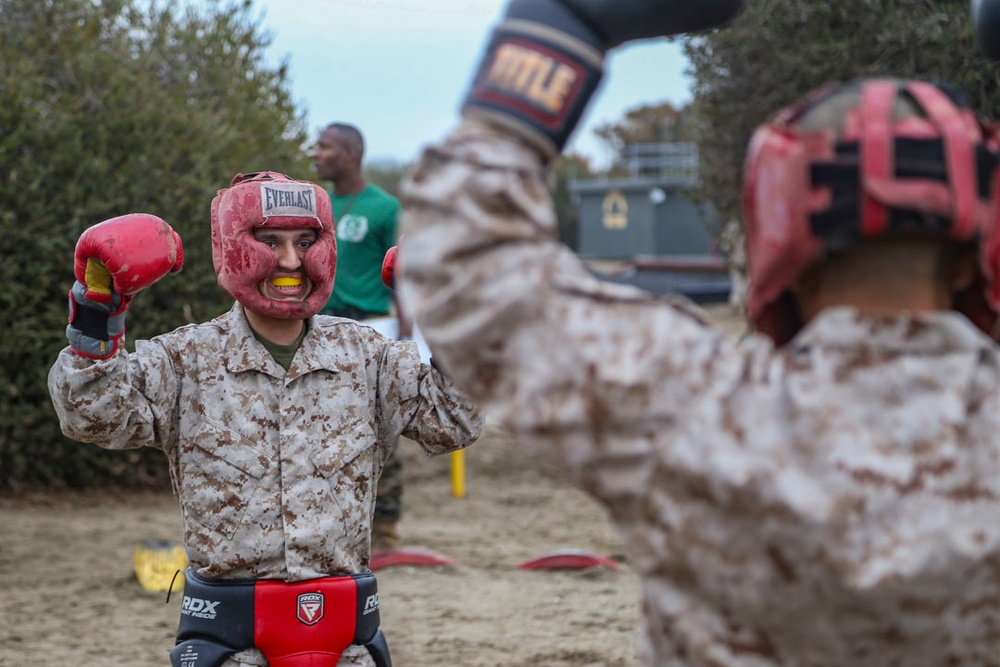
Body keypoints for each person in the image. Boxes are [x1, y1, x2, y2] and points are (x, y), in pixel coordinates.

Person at [396, 0, 1000, 664]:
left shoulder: (695, 405)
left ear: (780, 237)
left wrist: (560, 26)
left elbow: (467, 262)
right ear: (978, 244)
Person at [48, 171, 484, 667]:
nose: (291, 261)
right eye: (270, 241)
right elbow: (92, 414)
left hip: (345, 637)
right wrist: (96, 310)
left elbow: (453, 422)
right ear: (234, 246)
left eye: (306, 241)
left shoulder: (367, 356)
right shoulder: (187, 359)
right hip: (229, 634)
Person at [313, 123, 409, 552]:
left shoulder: (385, 208)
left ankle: (384, 527)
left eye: (326, 146)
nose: (316, 153)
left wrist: (405, 338)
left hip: (371, 328)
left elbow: (405, 274)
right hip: (320, 328)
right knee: (319, 427)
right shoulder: (316, 206)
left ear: (351, 153)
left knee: (379, 425)